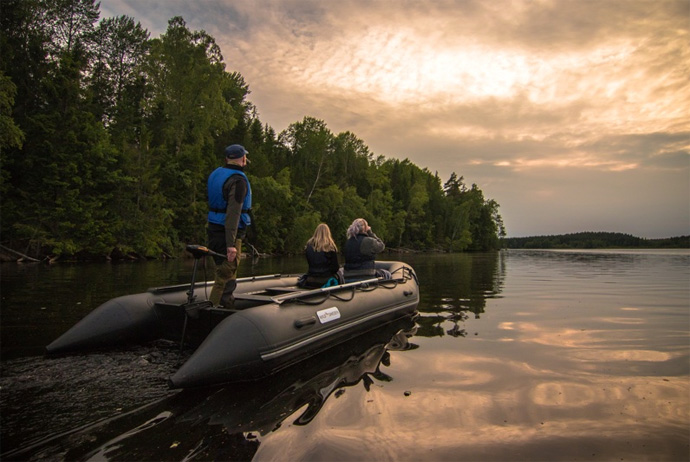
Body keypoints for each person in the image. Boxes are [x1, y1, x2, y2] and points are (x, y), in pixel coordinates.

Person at [207, 144, 252, 308]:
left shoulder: (216, 174)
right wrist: (230, 244)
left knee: (227, 272)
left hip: (214, 230)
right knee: (225, 276)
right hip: (228, 234)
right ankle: (213, 311)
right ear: (243, 159)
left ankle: (226, 306)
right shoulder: (238, 181)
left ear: (227, 158)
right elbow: (233, 214)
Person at [299, 223, 341, 289]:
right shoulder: (330, 247)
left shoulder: (308, 247)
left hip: (311, 278)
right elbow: (335, 268)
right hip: (325, 279)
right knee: (340, 273)